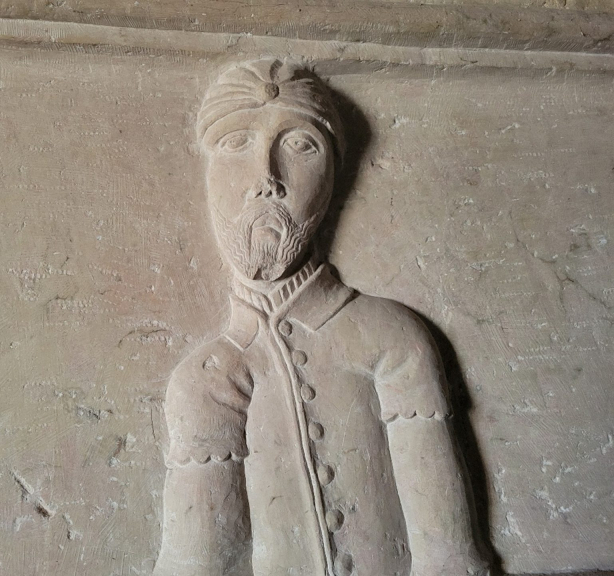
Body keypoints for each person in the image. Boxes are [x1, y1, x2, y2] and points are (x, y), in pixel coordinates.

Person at [154, 58, 491, 576]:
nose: (266, 179)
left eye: (300, 146)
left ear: (335, 180)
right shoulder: (203, 380)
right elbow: (197, 563)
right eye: (236, 143)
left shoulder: (392, 338)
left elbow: (448, 556)